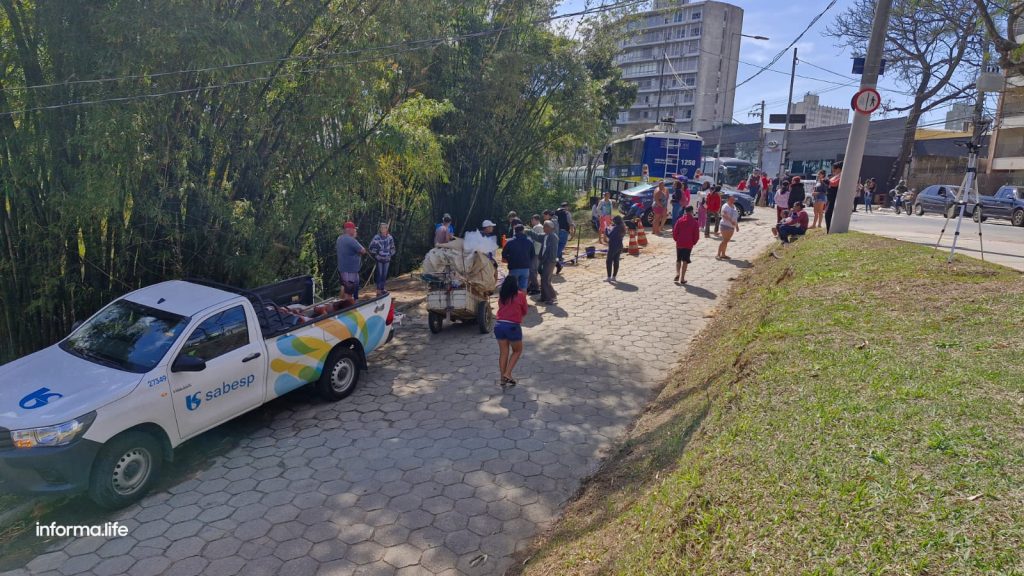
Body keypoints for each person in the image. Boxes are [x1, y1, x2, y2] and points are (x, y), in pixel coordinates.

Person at [495, 275, 527, 389]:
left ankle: (502, 379)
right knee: (517, 351)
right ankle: (508, 373)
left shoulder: (502, 296)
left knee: (503, 352)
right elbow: (525, 310)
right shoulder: (520, 295)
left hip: (499, 325)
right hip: (512, 326)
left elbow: (500, 308)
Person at [336, 221, 366, 300]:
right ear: (349, 230)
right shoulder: (351, 240)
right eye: (354, 229)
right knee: (349, 290)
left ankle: (353, 300)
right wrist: (354, 239)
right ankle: (348, 306)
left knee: (346, 286)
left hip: (343, 268)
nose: (355, 231)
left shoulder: (339, 238)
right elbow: (363, 251)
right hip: (350, 270)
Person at [501, 224, 534, 291]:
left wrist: (509, 260)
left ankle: (514, 301)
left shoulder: (509, 242)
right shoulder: (529, 241)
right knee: (523, 288)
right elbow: (532, 255)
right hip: (525, 268)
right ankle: (523, 301)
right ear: (523, 231)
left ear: (514, 231)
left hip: (513, 268)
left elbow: (504, 255)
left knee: (513, 288)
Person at [672, 205, 700, 284]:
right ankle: (682, 278)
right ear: (691, 212)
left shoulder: (680, 220)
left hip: (680, 242)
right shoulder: (694, 222)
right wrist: (693, 242)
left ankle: (677, 273)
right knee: (685, 261)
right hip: (688, 243)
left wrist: (676, 239)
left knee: (678, 259)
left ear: (685, 211)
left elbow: (675, 231)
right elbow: (696, 235)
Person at [367, 223, 396, 297]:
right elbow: (370, 247)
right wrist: (377, 253)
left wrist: (390, 254)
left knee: (384, 274)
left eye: (384, 228)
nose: (383, 229)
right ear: (380, 229)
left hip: (387, 259)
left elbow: (393, 248)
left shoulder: (390, 238)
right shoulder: (376, 237)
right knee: (379, 274)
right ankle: (378, 290)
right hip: (379, 259)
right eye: (381, 228)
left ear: (387, 229)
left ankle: (382, 289)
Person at [538, 220, 559, 305]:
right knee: (544, 279)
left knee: (545, 280)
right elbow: (537, 236)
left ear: (549, 228)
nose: (543, 228)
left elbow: (551, 252)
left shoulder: (553, 237)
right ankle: (544, 297)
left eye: (544, 226)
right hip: (546, 261)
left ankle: (551, 298)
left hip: (549, 261)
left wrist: (545, 260)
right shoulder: (546, 236)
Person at [605, 215, 626, 282]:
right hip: (620, 246)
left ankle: (609, 277)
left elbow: (609, 235)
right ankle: (614, 277)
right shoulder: (622, 227)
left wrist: (606, 229)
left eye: (613, 221)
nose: (612, 222)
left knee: (609, 261)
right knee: (616, 261)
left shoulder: (616, 228)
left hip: (613, 246)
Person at [717, 194, 739, 260]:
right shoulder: (725, 206)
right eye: (732, 199)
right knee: (725, 240)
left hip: (732, 226)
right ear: (728, 199)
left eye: (733, 199)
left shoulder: (734, 206)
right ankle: (718, 254)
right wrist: (731, 220)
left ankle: (723, 254)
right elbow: (723, 214)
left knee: (726, 241)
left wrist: (737, 226)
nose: (733, 200)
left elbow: (735, 217)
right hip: (725, 225)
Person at [527, 214, 544, 294]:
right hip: (538, 251)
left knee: (532, 270)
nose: (531, 222)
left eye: (532, 220)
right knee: (534, 269)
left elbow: (533, 238)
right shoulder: (541, 227)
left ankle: (535, 287)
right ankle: (532, 285)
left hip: (536, 251)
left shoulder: (537, 227)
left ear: (535, 219)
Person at [554, 202, 574, 272]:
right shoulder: (567, 213)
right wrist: (571, 233)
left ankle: (559, 258)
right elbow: (570, 223)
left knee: (557, 245)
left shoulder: (556, 212)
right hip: (564, 231)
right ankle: (554, 258)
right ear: (566, 207)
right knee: (561, 245)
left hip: (556, 232)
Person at [824, 161, 843, 232]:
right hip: (830, 198)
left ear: (839, 169)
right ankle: (829, 230)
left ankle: (829, 230)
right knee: (827, 214)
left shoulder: (842, 175)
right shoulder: (836, 176)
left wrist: (827, 182)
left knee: (828, 214)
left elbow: (835, 184)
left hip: (834, 198)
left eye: (834, 168)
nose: (833, 170)